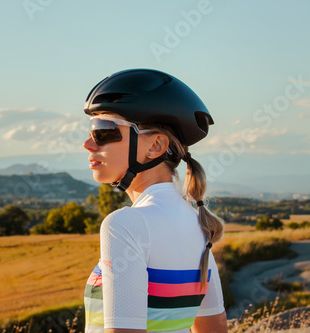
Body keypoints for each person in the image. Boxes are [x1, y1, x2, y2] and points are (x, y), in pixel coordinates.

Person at [82, 69, 227, 333]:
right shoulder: (200, 225)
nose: (88, 144)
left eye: (103, 131)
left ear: (155, 146)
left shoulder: (125, 224)